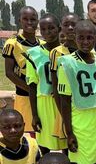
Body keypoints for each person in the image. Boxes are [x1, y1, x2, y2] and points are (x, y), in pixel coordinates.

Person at [57, 20, 96, 164]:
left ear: (95, 38)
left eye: (89, 38)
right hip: (81, 122)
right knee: (83, 160)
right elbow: (65, 101)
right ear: (74, 37)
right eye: (81, 38)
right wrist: (69, 132)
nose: (85, 42)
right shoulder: (67, 63)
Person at [26, 14, 67, 154]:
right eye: (43, 29)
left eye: (51, 28)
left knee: (68, 144)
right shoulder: (33, 54)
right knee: (44, 145)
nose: (47, 32)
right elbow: (32, 86)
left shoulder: (67, 52)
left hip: (63, 102)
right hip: (44, 103)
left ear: (59, 29)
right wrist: (34, 115)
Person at [2, 6, 42, 135]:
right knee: (26, 132)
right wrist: (29, 90)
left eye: (33, 19)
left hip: (40, 97)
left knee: (41, 132)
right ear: (19, 21)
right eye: (25, 19)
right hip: (23, 96)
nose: (29, 22)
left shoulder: (41, 45)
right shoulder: (12, 43)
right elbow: (9, 73)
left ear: (37, 21)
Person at [49, 13, 79, 140]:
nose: (71, 28)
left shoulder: (90, 51)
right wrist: (63, 114)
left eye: (74, 24)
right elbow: (55, 87)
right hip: (66, 107)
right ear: (61, 27)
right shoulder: (56, 53)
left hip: (84, 108)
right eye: (67, 25)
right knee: (69, 145)